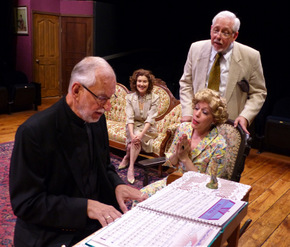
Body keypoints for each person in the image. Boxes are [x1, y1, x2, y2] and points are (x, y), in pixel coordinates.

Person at [9, 56, 147, 246]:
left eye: (110, 98)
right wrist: (85, 207)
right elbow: (26, 204)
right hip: (53, 230)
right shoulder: (34, 132)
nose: (107, 107)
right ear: (76, 90)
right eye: (101, 98)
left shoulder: (96, 119)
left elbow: (104, 167)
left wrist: (116, 185)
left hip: (90, 222)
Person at [179, 10, 267, 134]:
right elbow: (186, 83)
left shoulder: (251, 56)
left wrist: (245, 116)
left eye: (225, 33)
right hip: (197, 122)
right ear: (211, 29)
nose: (218, 36)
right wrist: (188, 112)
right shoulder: (196, 49)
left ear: (235, 36)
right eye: (216, 30)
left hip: (229, 126)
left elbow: (258, 92)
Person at [137, 88, 228, 198]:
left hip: (197, 194)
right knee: (140, 197)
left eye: (204, 112)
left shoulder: (219, 145)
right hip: (174, 182)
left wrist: (185, 159)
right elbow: (170, 163)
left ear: (214, 119)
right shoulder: (183, 129)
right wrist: (177, 153)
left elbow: (210, 184)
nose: (197, 114)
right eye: (196, 108)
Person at [118, 69, 159, 184]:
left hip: (148, 128)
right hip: (133, 126)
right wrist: (132, 134)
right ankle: (130, 166)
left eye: (144, 81)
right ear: (135, 83)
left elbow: (150, 119)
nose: (141, 84)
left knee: (135, 140)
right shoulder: (129, 98)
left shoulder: (154, 98)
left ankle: (128, 160)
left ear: (149, 83)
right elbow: (130, 119)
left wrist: (140, 135)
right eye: (139, 81)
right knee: (134, 138)